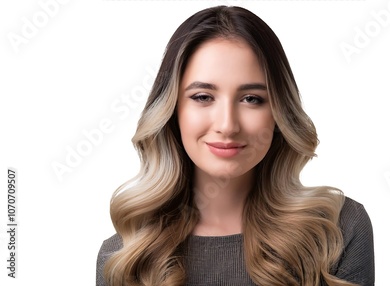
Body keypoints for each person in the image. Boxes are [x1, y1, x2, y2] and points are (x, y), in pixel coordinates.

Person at [96, 5, 374, 286]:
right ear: (172, 110)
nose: (227, 125)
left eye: (251, 98)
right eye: (203, 97)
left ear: (278, 113)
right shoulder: (126, 255)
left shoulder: (336, 231)